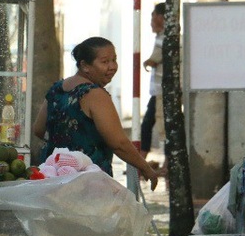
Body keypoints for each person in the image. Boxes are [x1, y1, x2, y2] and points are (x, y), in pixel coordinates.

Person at [34, 36, 160, 191]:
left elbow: (39, 129)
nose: (113, 66)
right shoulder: (94, 94)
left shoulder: (57, 89)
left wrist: (63, 145)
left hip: (52, 179)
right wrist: (146, 168)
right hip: (86, 183)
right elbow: (118, 143)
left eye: (114, 60)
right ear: (85, 66)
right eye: (105, 62)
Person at [140, 2, 166, 172]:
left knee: (162, 126)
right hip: (157, 91)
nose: (151, 22)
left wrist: (148, 61)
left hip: (163, 92)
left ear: (162, 17)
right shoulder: (161, 37)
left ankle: (166, 164)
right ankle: (142, 159)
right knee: (148, 123)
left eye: (153, 16)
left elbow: (154, 59)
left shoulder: (166, 38)